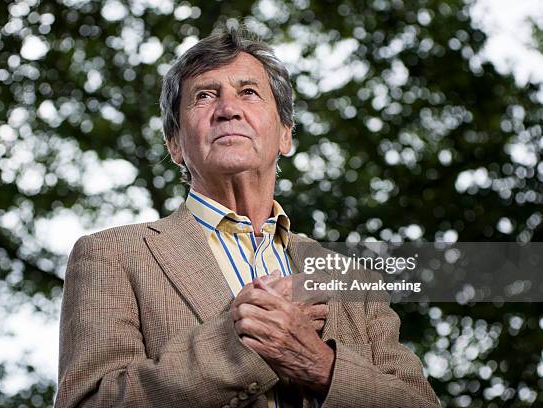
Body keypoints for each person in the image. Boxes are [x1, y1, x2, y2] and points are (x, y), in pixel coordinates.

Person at [55, 28, 440, 408]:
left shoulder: (352, 277)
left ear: (285, 135)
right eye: (204, 96)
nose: (228, 109)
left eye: (249, 92)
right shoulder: (112, 254)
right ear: (175, 145)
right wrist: (241, 342)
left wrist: (320, 366)